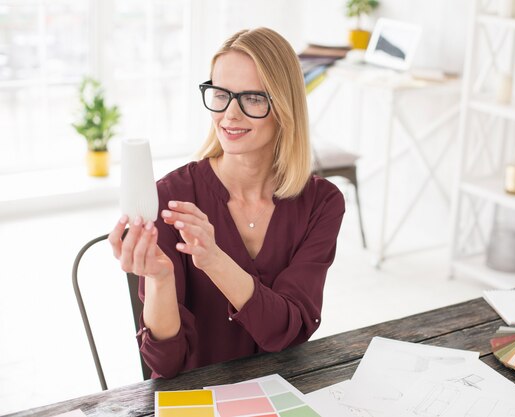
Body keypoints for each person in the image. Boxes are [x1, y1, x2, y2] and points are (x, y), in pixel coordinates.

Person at [108, 27, 345, 379]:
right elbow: (166, 364)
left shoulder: (321, 202)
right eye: (220, 94)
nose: (229, 115)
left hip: (281, 389)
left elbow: (291, 331)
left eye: (251, 98)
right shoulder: (170, 198)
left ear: (284, 105)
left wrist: (214, 259)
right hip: (199, 399)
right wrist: (159, 279)